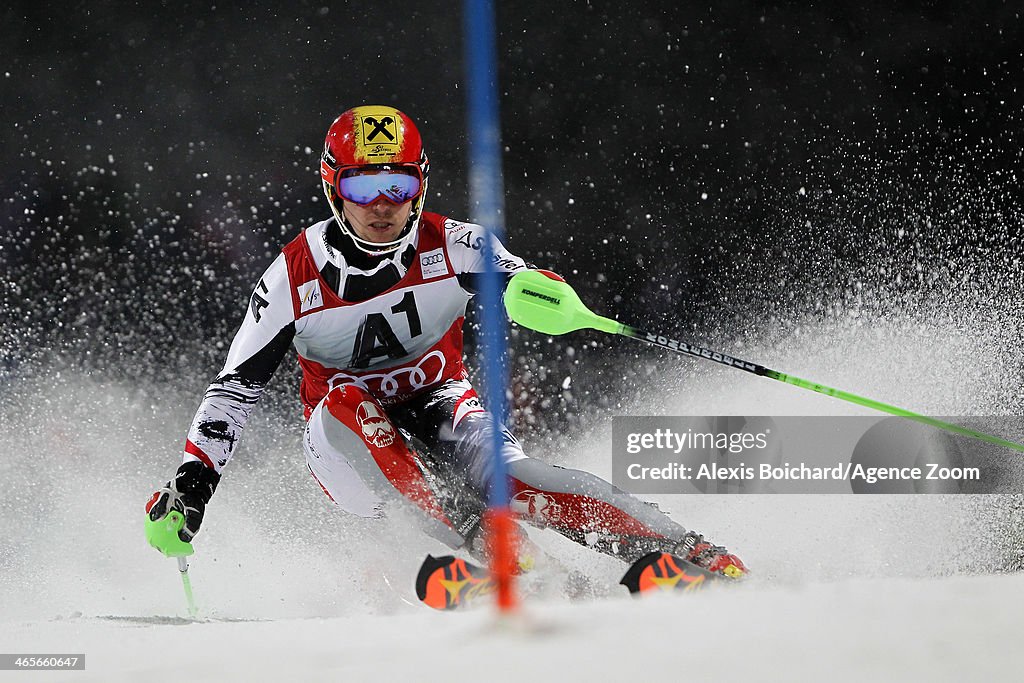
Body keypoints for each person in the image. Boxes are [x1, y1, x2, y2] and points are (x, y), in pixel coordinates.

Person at [146, 105, 746, 580]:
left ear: (421, 186)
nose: (382, 206)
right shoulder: (291, 278)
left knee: (511, 475)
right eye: (363, 188)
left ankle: (690, 551)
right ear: (334, 190)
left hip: (440, 400)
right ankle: (494, 552)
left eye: (398, 185)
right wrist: (192, 489)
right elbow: (233, 391)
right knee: (352, 407)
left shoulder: (457, 244)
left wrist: (543, 294)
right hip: (347, 443)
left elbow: (526, 282)